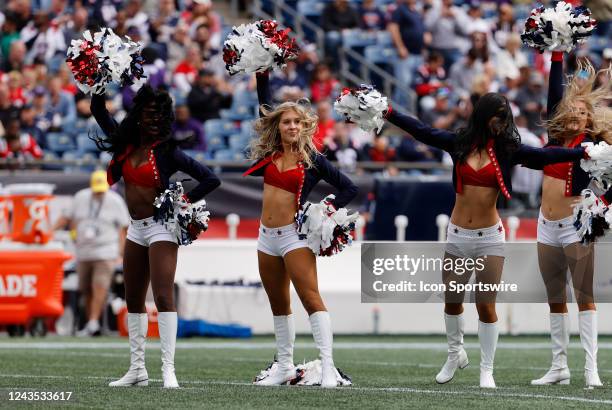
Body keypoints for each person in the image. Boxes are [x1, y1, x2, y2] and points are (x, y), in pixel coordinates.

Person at [383, 91, 588, 388]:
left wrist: (582, 153)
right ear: (483, 115)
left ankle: (486, 370)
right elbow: (422, 131)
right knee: (452, 302)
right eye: (497, 117)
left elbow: (544, 156)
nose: (502, 123)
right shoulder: (459, 142)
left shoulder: (507, 149)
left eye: (506, 119)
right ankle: (454, 354)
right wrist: (388, 112)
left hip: (490, 237)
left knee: (485, 304)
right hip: (457, 235)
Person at [91, 84, 221, 388]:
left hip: (162, 226)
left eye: (157, 116)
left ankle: (168, 369)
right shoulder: (124, 143)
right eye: (147, 114)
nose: (151, 121)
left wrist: (182, 201)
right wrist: (99, 79)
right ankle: (137, 369)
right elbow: (98, 110)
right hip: (135, 228)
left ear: (164, 119)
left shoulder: (168, 151)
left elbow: (210, 179)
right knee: (132, 297)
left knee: (163, 295)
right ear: (138, 115)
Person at [244, 71, 358, 387]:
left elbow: (349, 187)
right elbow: (264, 105)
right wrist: (262, 71)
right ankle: (284, 366)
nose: (292, 126)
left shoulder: (313, 159)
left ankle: (328, 368)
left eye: (297, 121)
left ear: (304, 126)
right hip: (266, 238)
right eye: (286, 122)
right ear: (278, 127)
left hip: (295, 237)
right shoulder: (271, 154)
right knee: (278, 302)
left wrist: (328, 209)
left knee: (310, 298)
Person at [531, 52, 612, 388]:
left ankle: (590, 368)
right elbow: (553, 94)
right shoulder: (553, 140)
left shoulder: (594, 145)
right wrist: (556, 56)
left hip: (575, 226)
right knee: (554, 295)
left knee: (584, 295)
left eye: (582, 112)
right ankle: (558, 366)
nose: (576, 115)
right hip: (545, 225)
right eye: (572, 111)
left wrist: (604, 204)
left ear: (590, 117)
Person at [53, 170, 129, 337]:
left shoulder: (115, 201)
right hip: (84, 252)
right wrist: (50, 232)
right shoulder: (80, 198)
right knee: (85, 289)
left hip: (106, 251)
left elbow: (123, 228)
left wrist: (121, 253)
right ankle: (91, 323)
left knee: (99, 285)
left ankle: (93, 322)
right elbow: (67, 217)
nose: (99, 193)